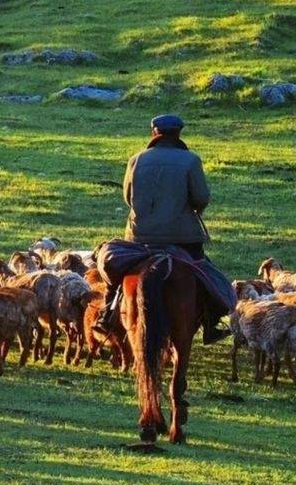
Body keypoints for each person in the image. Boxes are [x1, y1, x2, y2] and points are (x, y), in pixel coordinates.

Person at [94, 113, 230, 344]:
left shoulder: (136, 159)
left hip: (140, 238)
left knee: (115, 271)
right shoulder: (191, 160)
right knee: (205, 273)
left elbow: (128, 197)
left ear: (154, 133)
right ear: (179, 133)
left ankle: (108, 313)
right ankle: (211, 321)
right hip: (183, 239)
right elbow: (201, 197)